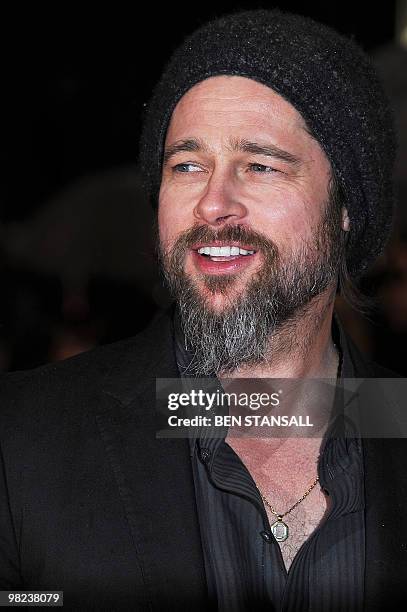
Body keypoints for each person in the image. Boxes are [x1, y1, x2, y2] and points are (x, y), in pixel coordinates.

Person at [0, 9, 406, 611]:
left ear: (346, 211)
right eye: (186, 165)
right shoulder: (21, 440)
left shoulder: (391, 424)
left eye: (260, 165)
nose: (213, 203)